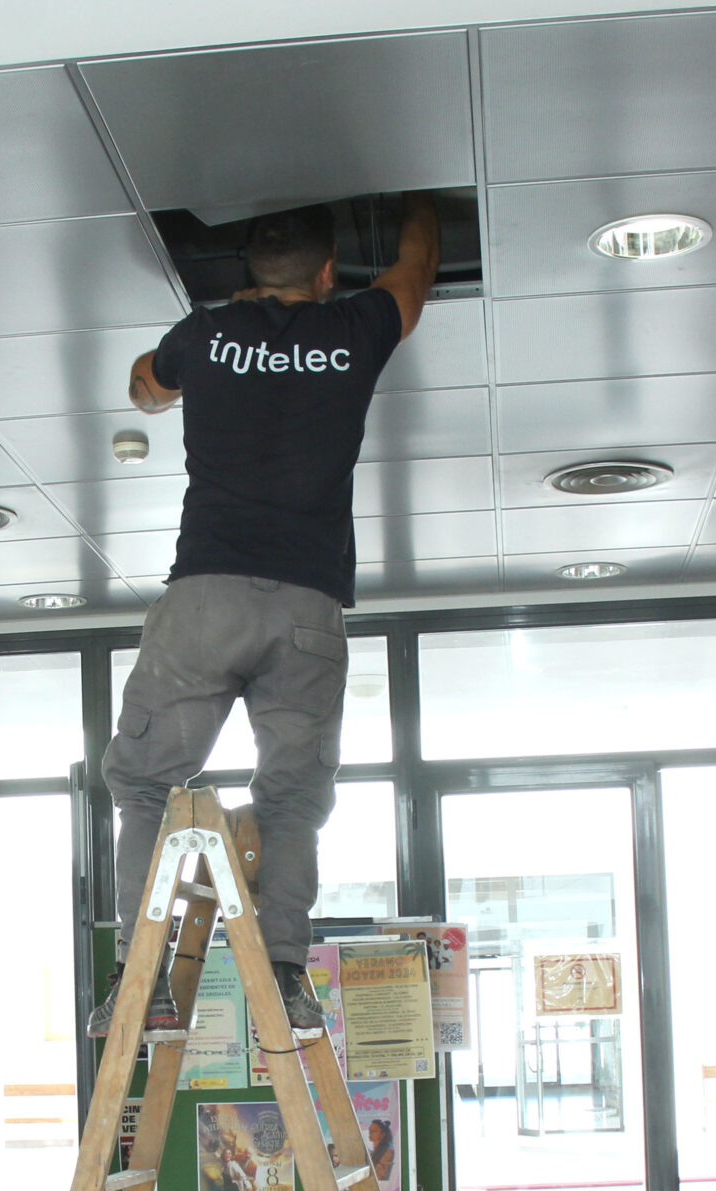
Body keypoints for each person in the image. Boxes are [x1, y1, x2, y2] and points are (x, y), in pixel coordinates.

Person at [95, 194, 441, 1038]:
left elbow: (144, 386)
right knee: (291, 797)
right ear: (327, 275)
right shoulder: (356, 326)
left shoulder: (205, 331)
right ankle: (284, 977)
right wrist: (419, 202)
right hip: (308, 605)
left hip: (205, 593)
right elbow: (417, 272)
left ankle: (142, 983)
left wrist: (195, 355)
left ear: (251, 280)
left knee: (142, 782)